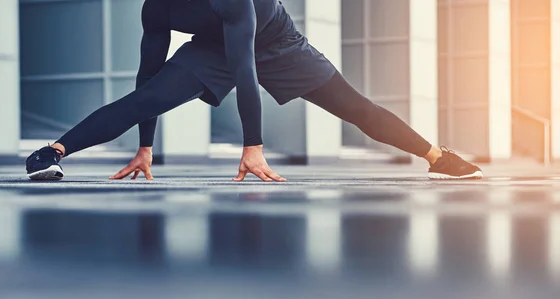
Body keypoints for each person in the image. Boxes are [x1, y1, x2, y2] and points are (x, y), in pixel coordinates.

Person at [25, 0, 483, 182]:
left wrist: (253, 147)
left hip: (276, 42)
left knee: (356, 109)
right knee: (143, 99)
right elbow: (147, 81)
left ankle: (436, 156)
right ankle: (55, 151)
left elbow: (246, 69)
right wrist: (145, 146)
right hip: (213, 48)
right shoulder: (157, 8)